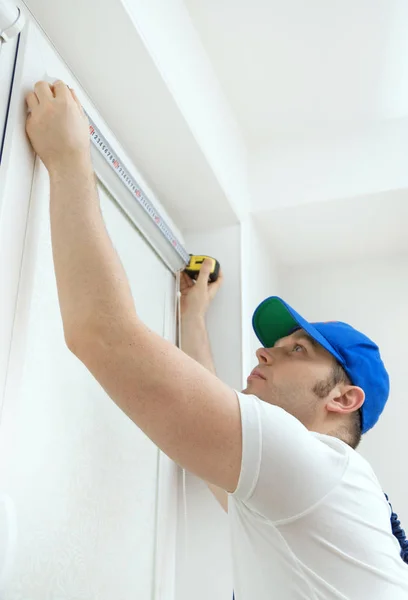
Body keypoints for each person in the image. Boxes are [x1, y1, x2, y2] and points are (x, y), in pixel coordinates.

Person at [24, 81, 408, 599]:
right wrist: (193, 313)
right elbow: (202, 411)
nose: (264, 350)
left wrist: (68, 157)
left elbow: (103, 334)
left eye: (298, 350)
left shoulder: (315, 470)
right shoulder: (305, 493)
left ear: (342, 397)